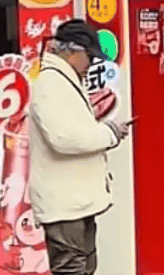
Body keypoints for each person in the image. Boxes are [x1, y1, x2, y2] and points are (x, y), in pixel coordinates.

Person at [29, 19, 131, 275]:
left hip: (74, 200)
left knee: (84, 266)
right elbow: (64, 138)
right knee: (72, 269)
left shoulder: (64, 80)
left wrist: (106, 131)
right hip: (64, 204)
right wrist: (109, 134)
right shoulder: (50, 83)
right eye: (89, 56)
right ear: (72, 51)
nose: (91, 64)